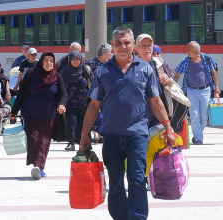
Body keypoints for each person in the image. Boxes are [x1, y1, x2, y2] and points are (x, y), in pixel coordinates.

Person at [79, 27, 175, 219]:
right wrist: (83, 136)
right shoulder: (103, 71)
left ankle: (138, 217)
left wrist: (169, 128)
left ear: (133, 45)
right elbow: (93, 105)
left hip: (138, 135)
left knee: (138, 179)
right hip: (111, 135)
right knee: (115, 182)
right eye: (118, 43)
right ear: (112, 46)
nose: (122, 46)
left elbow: (156, 101)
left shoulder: (145, 68)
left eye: (126, 43)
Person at [9, 51, 67, 180]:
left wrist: (62, 104)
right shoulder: (31, 74)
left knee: (44, 142)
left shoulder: (57, 76)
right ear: (41, 62)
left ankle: (40, 166)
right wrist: (13, 111)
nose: (49, 63)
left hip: (49, 115)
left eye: (51, 61)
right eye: (46, 60)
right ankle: (36, 165)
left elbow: (63, 94)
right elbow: (22, 93)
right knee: (34, 140)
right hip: (31, 113)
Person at [174, 41, 219, 145]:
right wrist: (171, 87)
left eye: (188, 50)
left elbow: (213, 73)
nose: (187, 52)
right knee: (194, 115)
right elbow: (177, 75)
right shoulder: (186, 60)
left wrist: (216, 87)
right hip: (191, 90)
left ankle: (198, 134)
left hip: (205, 90)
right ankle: (198, 138)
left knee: (204, 116)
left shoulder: (206, 59)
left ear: (196, 51)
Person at [135, 34, 173, 127]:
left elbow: (171, 83)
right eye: (143, 45)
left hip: (158, 115)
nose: (147, 48)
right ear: (136, 48)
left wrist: (167, 80)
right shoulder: (132, 65)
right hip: (139, 116)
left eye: (149, 45)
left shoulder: (159, 63)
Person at [60, 50, 93, 151]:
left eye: (77, 59)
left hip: (85, 102)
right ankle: (71, 142)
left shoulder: (86, 70)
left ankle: (83, 143)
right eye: (73, 59)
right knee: (71, 122)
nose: (75, 61)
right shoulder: (65, 71)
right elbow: (61, 87)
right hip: (70, 103)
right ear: (69, 60)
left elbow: (93, 84)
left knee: (84, 123)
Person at [86, 43, 112, 144]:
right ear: (103, 53)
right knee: (95, 114)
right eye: (109, 52)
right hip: (94, 93)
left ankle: (101, 135)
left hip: (107, 94)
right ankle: (94, 133)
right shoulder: (92, 63)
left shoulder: (110, 64)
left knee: (105, 114)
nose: (111, 54)